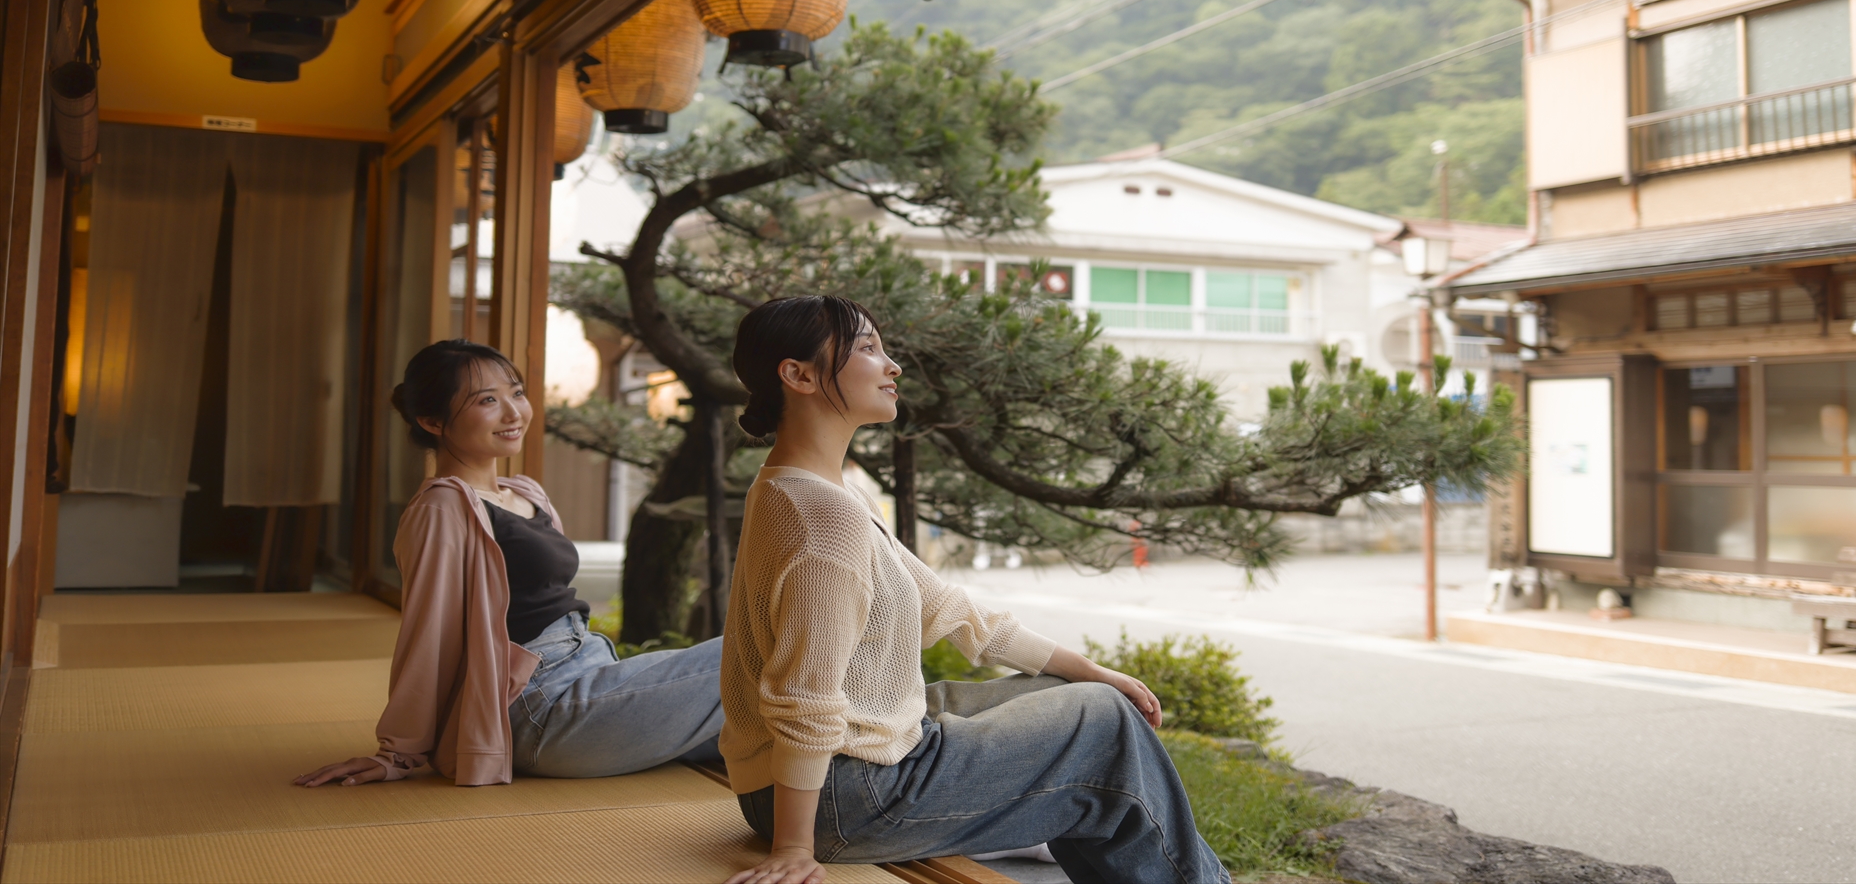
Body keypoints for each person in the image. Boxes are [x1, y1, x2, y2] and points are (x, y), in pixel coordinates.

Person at [719, 297, 1228, 884]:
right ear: (799, 375)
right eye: (866, 348)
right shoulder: (822, 518)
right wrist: (793, 849)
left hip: (833, 771)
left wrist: (1091, 668)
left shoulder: (804, 487)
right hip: (842, 796)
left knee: (1075, 694)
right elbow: (803, 696)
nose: (892, 366)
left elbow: (948, 608)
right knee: (1106, 723)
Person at [295, 339, 724, 788]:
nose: (513, 412)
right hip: (540, 705)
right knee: (755, 652)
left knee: (771, 723)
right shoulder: (442, 508)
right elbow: (427, 632)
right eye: (486, 400)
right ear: (432, 421)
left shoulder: (525, 493)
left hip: (595, 672)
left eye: (516, 393)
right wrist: (399, 752)